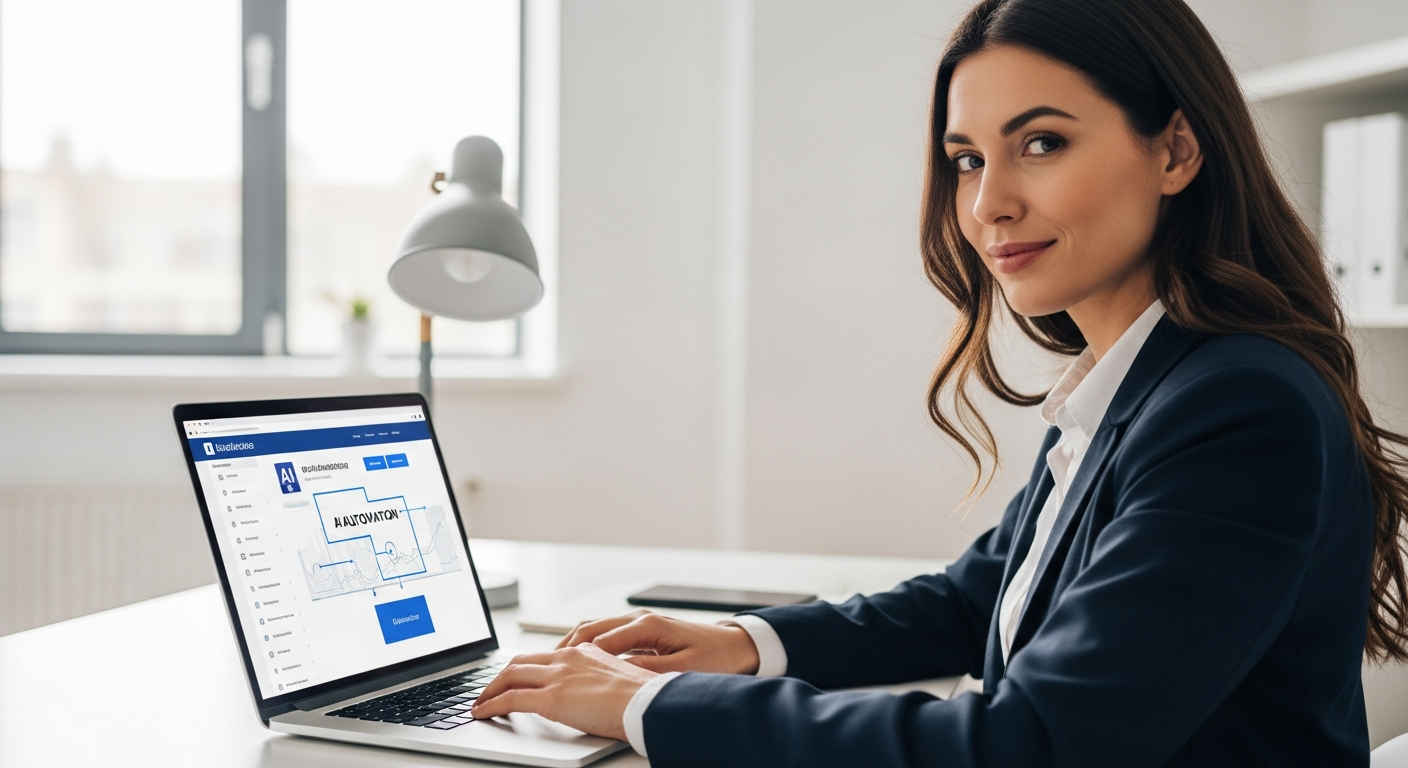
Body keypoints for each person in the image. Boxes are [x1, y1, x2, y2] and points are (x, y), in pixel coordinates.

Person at [471, 0, 1408, 764]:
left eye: (1041, 143)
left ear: (1174, 151)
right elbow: (978, 600)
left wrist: (659, 707)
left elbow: (1035, 744)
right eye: (967, 159)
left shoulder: (1238, 407)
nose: (988, 202)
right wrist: (747, 645)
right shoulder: (1135, 381)